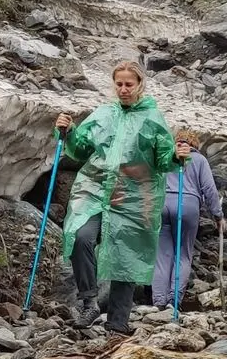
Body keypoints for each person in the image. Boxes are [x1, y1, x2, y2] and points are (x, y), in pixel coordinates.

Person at [54, 61, 176, 333]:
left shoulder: (153, 119)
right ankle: (89, 301)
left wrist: (177, 157)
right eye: (119, 84)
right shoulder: (103, 113)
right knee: (80, 236)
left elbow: (164, 160)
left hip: (134, 196)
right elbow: (80, 150)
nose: (123, 89)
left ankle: (118, 324)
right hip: (95, 188)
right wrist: (68, 131)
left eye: (128, 84)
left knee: (126, 254)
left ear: (139, 85)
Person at [151, 129, 227, 309]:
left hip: (162, 204)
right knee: (183, 254)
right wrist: (218, 216)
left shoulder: (166, 157)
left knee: (162, 256)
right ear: (195, 144)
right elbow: (209, 189)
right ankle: (173, 300)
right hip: (188, 205)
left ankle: (158, 301)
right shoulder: (200, 160)